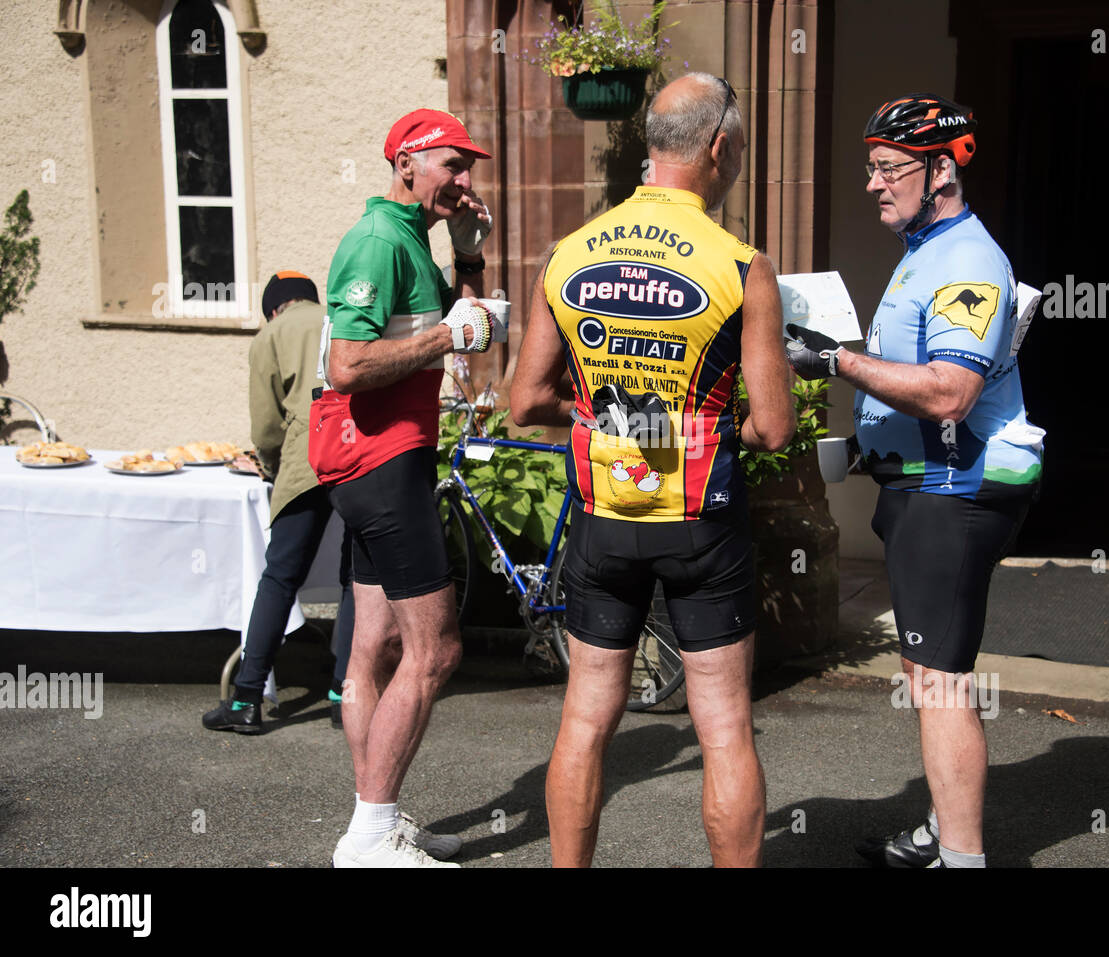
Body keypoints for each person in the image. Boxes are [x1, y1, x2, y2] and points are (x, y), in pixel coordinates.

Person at [511, 73, 796, 867]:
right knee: (725, 728)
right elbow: (773, 425)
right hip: (701, 521)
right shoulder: (742, 265)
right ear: (720, 146)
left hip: (605, 522)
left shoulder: (569, 253)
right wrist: (698, 422)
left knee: (584, 720)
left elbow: (525, 400)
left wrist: (612, 417)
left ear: (650, 145)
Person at [786, 94, 1043, 868]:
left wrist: (836, 361)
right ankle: (942, 828)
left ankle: (961, 857)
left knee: (941, 683)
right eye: (870, 168)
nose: (873, 183)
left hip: (951, 499)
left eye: (889, 167)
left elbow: (950, 391)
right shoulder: (926, 248)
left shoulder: (966, 259)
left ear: (942, 169)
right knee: (925, 672)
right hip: (918, 492)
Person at [312, 109, 500, 868]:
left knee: (375, 645)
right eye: (453, 165)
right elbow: (348, 366)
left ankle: (375, 817)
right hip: (382, 465)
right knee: (437, 649)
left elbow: (462, 321)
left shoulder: (413, 240)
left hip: (384, 462)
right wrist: (446, 337)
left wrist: (472, 259)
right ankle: (368, 833)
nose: (464, 180)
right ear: (408, 164)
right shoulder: (378, 241)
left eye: (467, 168)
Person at [202, 271, 353, 735]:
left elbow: (267, 425)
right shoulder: (343, 319)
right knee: (355, 580)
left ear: (273, 308)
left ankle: (247, 699)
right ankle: (343, 695)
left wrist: (270, 466)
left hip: (305, 458)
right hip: (356, 454)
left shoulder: (272, 333)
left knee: (280, 578)